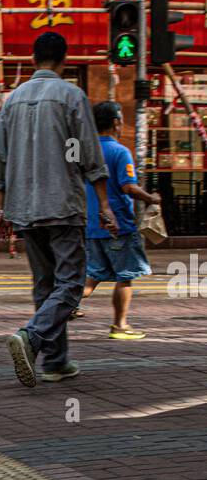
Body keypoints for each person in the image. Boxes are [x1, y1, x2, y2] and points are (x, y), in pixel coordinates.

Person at [0, 32, 118, 387]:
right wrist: (104, 205)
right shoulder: (71, 96)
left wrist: (1, 211)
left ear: (33, 60)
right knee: (71, 284)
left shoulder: (13, 101)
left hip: (23, 208)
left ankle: (55, 362)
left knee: (45, 285)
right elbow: (86, 157)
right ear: (64, 61)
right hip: (61, 205)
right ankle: (31, 337)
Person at [80, 101, 159, 340]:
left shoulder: (86, 151)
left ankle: (63, 307)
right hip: (118, 224)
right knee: (125, 277)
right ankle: (120, 325)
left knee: (93, 275)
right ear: (116, 122)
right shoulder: (120, 151)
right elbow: (128, 187)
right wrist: (151, 198)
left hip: (92, 224)